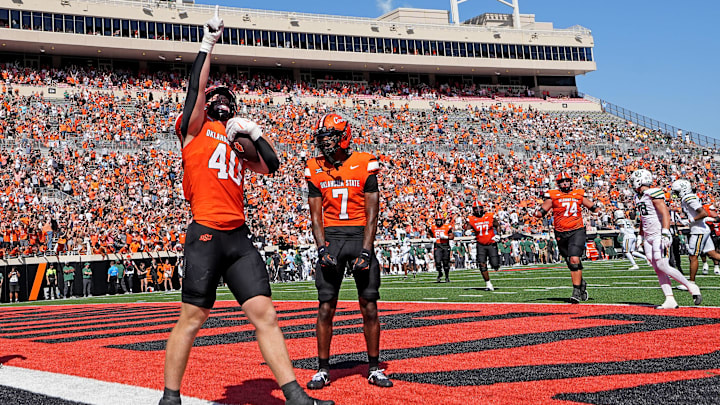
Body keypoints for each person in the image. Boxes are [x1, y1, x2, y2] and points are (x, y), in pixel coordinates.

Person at [159, 8, 333, 405]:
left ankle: (294, 396)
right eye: (214, 98)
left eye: (225, 100)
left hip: (238, 238)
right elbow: (193, 89)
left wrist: (254, 132)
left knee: (266, 315)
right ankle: (170, 397)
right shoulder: (194, 130)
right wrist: (209, 43)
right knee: (193, 317)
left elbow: (270, 166)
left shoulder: (237, 144)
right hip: (205, 232)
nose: (219, 102)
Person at [305, 112, 392, 390]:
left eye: (329, 138)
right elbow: (316, 216)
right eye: (322, 139)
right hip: (331, 239)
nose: (324, 144)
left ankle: (375, 367)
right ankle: (322, 369)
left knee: (369, 306)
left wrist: (366, 250)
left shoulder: (365, 163)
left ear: (344, 137)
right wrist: (321, 249)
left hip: (358, 237)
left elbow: (372, 213)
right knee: (325, 307)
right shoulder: (314, 166)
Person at [630, 169, 701, 309]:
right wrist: (640, 235)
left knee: (663, 264)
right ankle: (670, 299)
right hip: (648, 236)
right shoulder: (638, 197)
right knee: (658, 268)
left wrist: (665, 232)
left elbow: (665, 213)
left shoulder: (653, 192)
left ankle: (691, 287)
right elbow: (643, 219)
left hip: (658, 234)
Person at [534, 171, 603, 303]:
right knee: (569, 260)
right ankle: (581, 283)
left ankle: (576, 291)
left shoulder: (578, 194)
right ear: (558, 184)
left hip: (577, 230)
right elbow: (541, 212)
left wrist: (598, 212)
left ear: (570, 182)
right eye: (562, 182)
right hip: (560, 232)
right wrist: (536, 213)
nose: (565, 183)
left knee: (574, 259)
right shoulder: (553, 195)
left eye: (567, 181)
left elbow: (593, 207)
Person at [671, 179, 720, 289]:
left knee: (693, 256)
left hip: (699, 230)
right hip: (701, 228)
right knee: (712, 254)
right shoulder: (689, 197)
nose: (676, 194)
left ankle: (691, 284)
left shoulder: (689, 198)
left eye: (677, 191)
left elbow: (703, 213)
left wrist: (689, 221)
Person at [467, 201, 499, 291]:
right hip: (480, 244)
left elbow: (497, 225)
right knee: (482, 264)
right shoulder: (472, 219)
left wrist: (498, 234)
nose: (478, 210)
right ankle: (488, 284)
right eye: (476, 208)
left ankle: (496, 264)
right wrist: (468, 231)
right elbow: (468, 227)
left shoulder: (489, 216)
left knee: (495, 264)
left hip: (491, 243)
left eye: (479, 208)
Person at [431, 213, 454, 283]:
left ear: (442, 220)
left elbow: (452, 236)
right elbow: (428, 234)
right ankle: (440, 273)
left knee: (446, 262)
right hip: (437, 246)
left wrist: (446, 237)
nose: (438, 222)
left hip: (445, 245)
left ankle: (447, 276)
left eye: (439, 220)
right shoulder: (433, 227)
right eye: (437, 220)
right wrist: (431, 239)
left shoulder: (447, 227)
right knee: (437, 261)